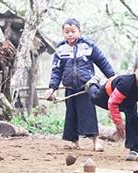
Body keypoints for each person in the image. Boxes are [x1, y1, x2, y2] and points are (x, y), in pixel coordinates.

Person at [45, 18, 115, 151]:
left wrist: (112, 77)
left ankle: (96, 141)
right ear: (63, 33)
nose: (70, 34)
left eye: (73, 31)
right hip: (70, 88)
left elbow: (102, 62)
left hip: (86, 87)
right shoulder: (60, 49)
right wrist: (52, 88)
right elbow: (56, 70)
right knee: (71, 114)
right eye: (67, 32)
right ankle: (74, 141)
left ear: (79, 31)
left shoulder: (88, 46)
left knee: (88, 113)